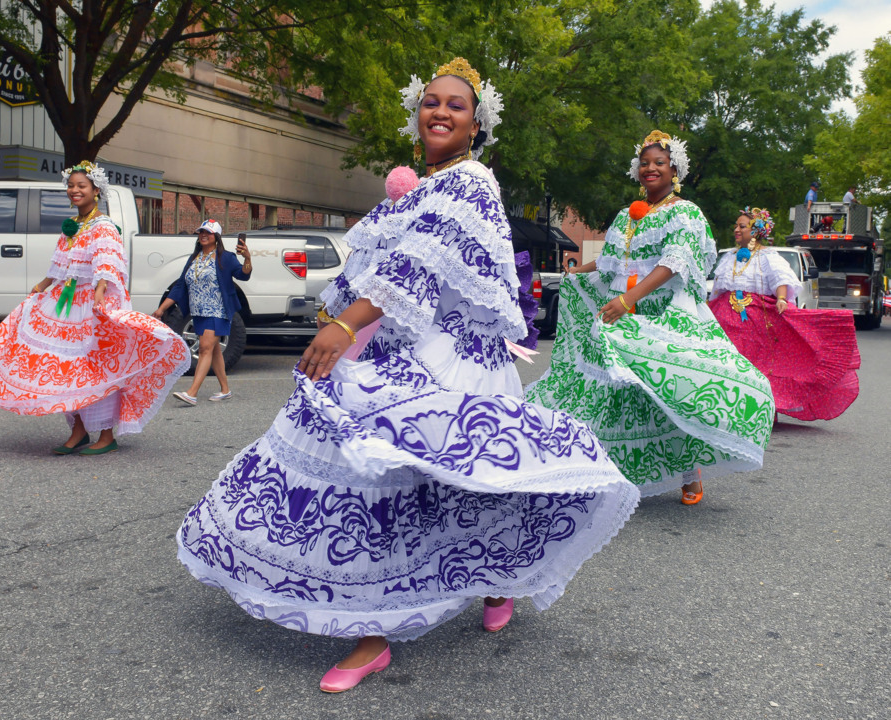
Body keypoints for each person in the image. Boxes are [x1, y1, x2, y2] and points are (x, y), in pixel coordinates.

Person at [176, 58, 638, 693]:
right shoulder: (419, 190)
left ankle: (480, 588)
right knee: (394, 488)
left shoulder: (472, 181)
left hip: (457, 363)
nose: (440, 111)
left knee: (434, 487)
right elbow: (370, 263)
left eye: (455, 105)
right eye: (430, 102)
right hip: (402, 352)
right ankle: (376, 631)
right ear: (417, 116)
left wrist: (344, 326)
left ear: (476, 126)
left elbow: (416, 268)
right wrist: (340, 317)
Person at [526, 130, 775, 505]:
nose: (650, 168)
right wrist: (578, 273)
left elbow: (674, 263)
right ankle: (597, 467)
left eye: (659, 162)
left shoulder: (685, 213)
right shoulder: (628, 214)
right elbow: (611, 262)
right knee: (615, 391)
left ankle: (689, 473)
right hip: (624, 311)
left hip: (663, 314)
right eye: (645, 163)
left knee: (667, 392)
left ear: (674, 169)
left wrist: (630, 298)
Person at [0, 161, 190, 454]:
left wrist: (100, 291)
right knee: (68, 369)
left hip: (91, 306)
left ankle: (106, 434)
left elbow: (107, 261)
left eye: (81, 186)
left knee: (94, 368)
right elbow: (61, 261)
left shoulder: (103, 226)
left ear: (96, 190)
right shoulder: (73, 226)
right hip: (66, 305)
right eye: (71, 186)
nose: (74, 190)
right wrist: (44, 283)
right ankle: (78, 430)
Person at [708, 208, 860, 421]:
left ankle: (762, 406)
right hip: (725, 316)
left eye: (742, 226)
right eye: (736, 225)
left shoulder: (768, 256)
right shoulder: (729, 257)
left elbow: (781, 279)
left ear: (756, 231)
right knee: (725, 359)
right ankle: (725, 405)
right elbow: (718, 288)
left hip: (754, 318)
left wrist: (781, 299)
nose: (736, 229)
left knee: (754, 362)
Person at [153, 221, 252, 405]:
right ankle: (225, 389)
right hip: (198, 312)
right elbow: (180, 286)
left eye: (209, 233)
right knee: (213, 350)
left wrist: (247, 258)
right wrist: (161, 309)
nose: (204, 235)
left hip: (218, 310)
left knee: (205, 348)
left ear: (217, 237)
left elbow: (243, 275)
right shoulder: (194, 258)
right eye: (201, 232)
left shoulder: (226, 258)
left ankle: (192, 393)